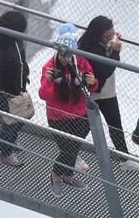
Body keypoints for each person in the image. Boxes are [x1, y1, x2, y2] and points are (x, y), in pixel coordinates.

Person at [38, 22, 98, 197]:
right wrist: (49, 81)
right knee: (67, 149)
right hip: (58, 117)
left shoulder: (82, 63)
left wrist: (93, 82)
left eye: (69, 53)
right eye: (63, 53)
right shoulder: (50, 66)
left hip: (80, 115)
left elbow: (91, 89)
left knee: (75, 146)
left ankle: (68, 174)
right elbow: (44, 95)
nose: (65, 57)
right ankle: (56, 175)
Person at [79, 16, 139, 172]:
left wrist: (112, 40)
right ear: (98, 35)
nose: (112, 38)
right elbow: (107, 69)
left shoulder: (100, 43)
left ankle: (125, 159)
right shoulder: (93, 50)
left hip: (106, 91)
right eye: (108, 36)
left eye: (113, 34)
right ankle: (71, 155)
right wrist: (115, 52)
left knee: (115, 125)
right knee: (84, 126)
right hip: (96, 93)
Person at [0, 10, 31, 168]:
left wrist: (25, 73)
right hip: (6, 94)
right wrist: (2, 99)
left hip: (17, 89)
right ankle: (5, 153)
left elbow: (20, 59)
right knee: (10, 123)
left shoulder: (14, 40)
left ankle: (10, 143)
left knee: (20, 119)